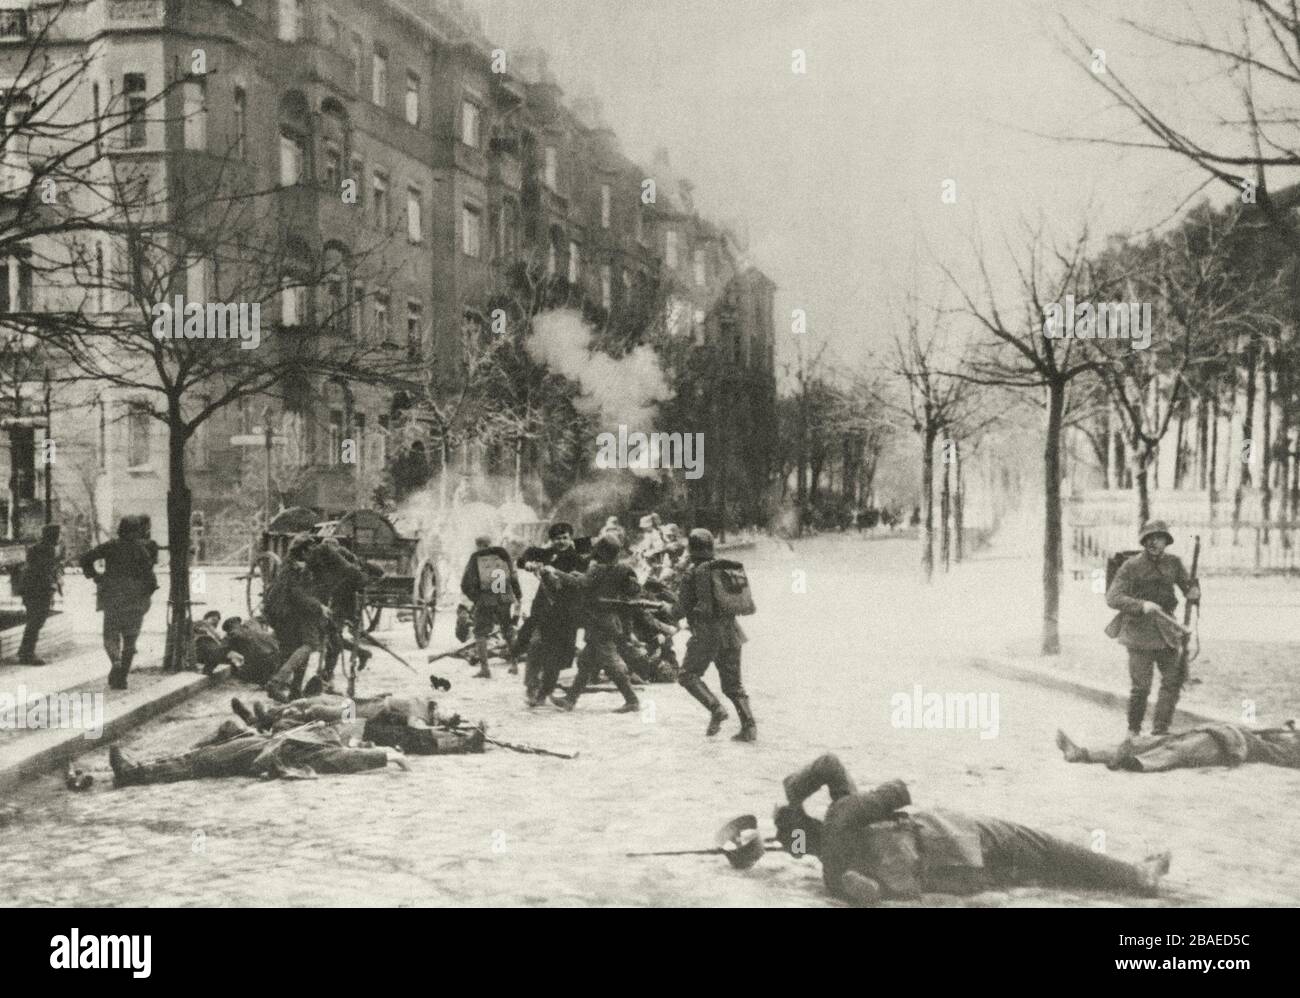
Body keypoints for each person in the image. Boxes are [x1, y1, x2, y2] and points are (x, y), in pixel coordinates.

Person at [773, 753, 1171, 906]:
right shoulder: (842, 815)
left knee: (1041, 869)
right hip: (957, 836)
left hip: (957, 877)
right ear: (810, 815)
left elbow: (870, 893)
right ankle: (1137, 875)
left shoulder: (831, 870)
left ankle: (1128, 877)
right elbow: (895, 790)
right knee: (1047, 849)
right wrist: (794, 793)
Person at [108, 716, 401, 787]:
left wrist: (388, 756)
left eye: (365, 744)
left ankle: (133, 774)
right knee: (224, 731)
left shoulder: (328, 750)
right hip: (260, 741)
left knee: (202, 761)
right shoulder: (327, 731)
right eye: (366, 741)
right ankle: (149, 765)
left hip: (262, 755)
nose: (362, 743)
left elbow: (348, 760)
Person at [1105, 520, 1200, 736]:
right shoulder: (1131, 566)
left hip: (1166, 630)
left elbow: (1188, 589)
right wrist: (1141, 605)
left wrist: (1194, 591)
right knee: (1141, 688)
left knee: (1172, 681)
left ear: (1166, 541)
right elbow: (1113, 598)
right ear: (1144, 541)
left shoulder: (1174, 563)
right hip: (1138, 633)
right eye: (1149, 538)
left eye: (1158, 538)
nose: (1153, 542)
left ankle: (1160, 729)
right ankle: (1133, 730)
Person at [540, 533, 641, 714]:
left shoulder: (598, 569)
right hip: (610, 619)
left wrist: (556, 571)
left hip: (599, 622)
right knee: (586, 662)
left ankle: (632, 700)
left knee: (610, 663)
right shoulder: (622, 568)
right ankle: (570, 700)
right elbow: (633, 589)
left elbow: (582, 583)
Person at [672, 528, 756, 741]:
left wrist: (666, 609)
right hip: (731, 632)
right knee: (733, 684)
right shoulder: (723, 569)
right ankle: (749, 727)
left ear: (691, 549)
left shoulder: (692, 573)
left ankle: (716, 709)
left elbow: (679, 610)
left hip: (706, 634)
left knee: (687, 675)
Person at [80, 515, 160, 690]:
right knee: (130, 641)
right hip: (135, 600)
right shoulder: (142, 549)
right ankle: (122, 677)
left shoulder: (110, 546)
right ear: (138, 530)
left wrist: (96, 576)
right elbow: (149, 576)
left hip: (112, 597)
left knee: (110, 636)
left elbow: (85, 558)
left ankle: (116, 662)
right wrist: (147, 593)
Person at [519, 522, 587, 707]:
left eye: (565, 538)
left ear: (571, 539)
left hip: (566, 612)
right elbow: (525, 555)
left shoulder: (578, 559)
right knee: (535, 645)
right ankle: (531, 687)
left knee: (556, 657)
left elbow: (581, 582)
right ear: (551, 540)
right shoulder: (547, 554)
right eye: (558, 538)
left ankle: (544, 692)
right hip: (543, 610)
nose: (562, 542)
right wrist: (528, 563)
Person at [1056, 722, 1300, 772]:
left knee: (1177, 751)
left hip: (1227, 744)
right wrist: (1288, 727)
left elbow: (1287, 756)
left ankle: (1138, 764)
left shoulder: (1286, 751)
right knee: (1151, 741)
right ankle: (1082, 753)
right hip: (1215, 730)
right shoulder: (1284, 731)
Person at [263, 533, 331, 701]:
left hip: (287, 612)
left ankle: (295, 690)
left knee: (296, 648)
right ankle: (277, 682)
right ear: (302, 551)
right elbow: (297, 594)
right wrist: (318, 606)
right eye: (309, 550)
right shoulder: (295, 569)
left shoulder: (294, 565)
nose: (312, 553)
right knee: (309, 644)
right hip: (286, 612)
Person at [460, 534, 521, 680]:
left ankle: (485, 669)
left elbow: (465, 584)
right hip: (504, 598)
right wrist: (518, 595)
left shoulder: (476, 557)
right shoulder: (503, 555)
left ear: (478, 545)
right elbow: (513, 577)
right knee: (508, 630)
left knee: (480, 633)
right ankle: (514, 665)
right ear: (490, 543)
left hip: (486, 600)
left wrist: (476, 599)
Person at [14, 523, 62, 665]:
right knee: (36, 621)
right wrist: (52, 586)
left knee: (34, 621)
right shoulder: (47, 549)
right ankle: (27, 653)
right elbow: (44, 571)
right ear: (53, 535)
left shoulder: (38, 547)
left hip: (31, 589)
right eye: (57, 535)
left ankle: (25, 651)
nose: (59, 538)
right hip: (38, 590)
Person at [220, 616, 281, 685]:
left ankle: (266, 679)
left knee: (241, 673)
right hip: (272, 660)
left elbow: (223, 649)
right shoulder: (251, 630)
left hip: (263, 662)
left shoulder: (237, 634)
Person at [193, 610, 226, 675]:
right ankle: (207, 671)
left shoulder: (215, 632)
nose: (215, 623)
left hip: (208, 653)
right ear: (206, 618)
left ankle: (207, 670)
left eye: (217, 622)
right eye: (213, 619)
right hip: (200, 649)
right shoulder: (200, 624)